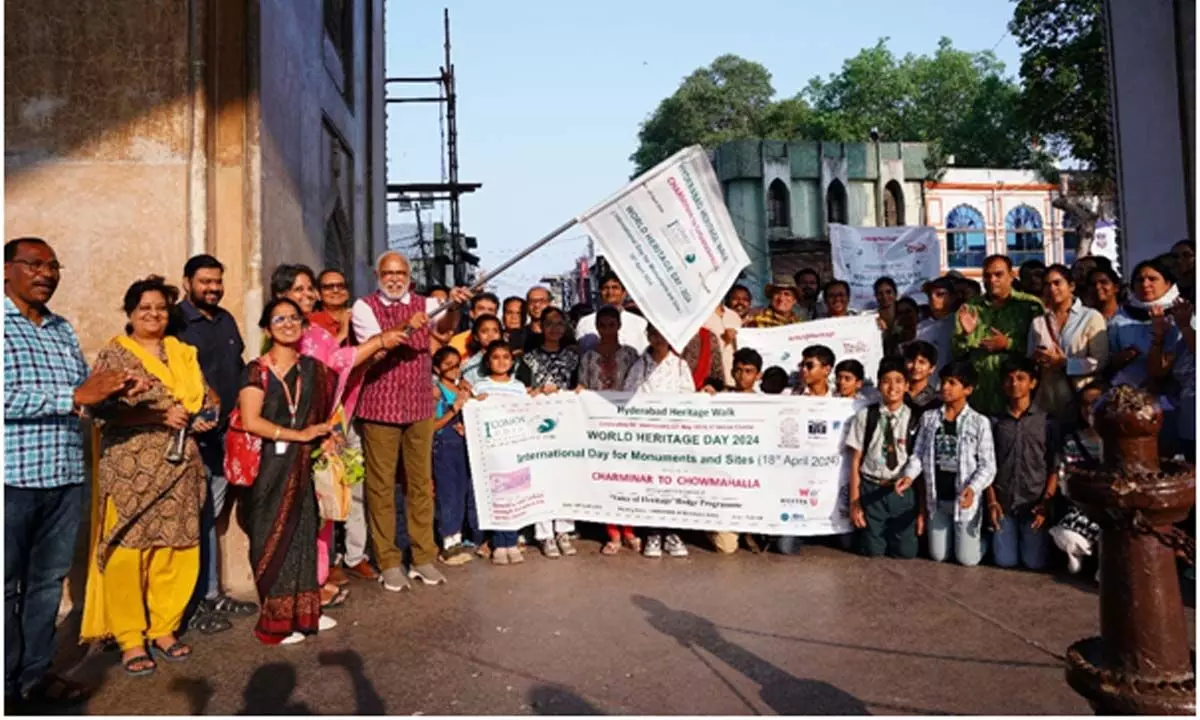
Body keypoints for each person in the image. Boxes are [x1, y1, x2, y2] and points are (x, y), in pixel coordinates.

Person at [5, 237, 141, 708]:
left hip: (63, 475)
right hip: (12, 479)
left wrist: (116, 389)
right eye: (34, 265)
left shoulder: (61, 329)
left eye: (53, 265)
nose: (46, 273)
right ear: (7, 270)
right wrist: (73, 397)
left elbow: (83, 389)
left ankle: (34, 676)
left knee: (45, 584)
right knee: (5, 586)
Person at [81, 275, 214, 675]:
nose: (153, 314)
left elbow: (205, 397)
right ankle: (130, 638)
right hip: (131, 467)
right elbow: (99, 410)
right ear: (130, 313)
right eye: (145, 309)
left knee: (177, 549)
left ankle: (164, 628)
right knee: (128, 553)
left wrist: (205, 415)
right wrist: (157, 416)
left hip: (179, 467)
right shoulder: (115, 355)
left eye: (160, 307)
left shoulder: (181, 352)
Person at [276, 264, 406, 597]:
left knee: (327, 504)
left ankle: (318, 580)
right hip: (293, 435)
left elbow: (341, 360)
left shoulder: (316, 335)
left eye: (309, 289)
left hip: (327, 429)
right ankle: (300, 586)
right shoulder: (282, 335)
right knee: (301, 509)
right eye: (298, 290)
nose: (306, 296)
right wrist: (378, 341)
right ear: (280, 298)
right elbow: (336, 362)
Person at [351, 252, 468, 593]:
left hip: (418, 406)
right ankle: (387, 559)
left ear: (409, 274)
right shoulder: (365, 307)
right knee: (381, 486)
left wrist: (455, 306)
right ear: (378, 274)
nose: (394, 278)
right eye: (388, 272)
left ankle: (422, 557)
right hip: (380, 407)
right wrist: (407, 326)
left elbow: (444, 333)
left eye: (400, 272)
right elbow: (379, 347)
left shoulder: (428, 302)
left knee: (420, 483)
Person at [236, 298, 339, 645]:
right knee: (272, 536)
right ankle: (276, 619)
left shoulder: (314, 369)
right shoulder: (256, 370)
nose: (288, 324)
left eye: (294, 318)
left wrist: (326, 437)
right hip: (269, 466)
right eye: (279, 318)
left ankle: (306, 613)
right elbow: (251, 421)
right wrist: (298, 435)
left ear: (304, 326)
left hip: (304, 464)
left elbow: (325, 416)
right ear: (267, 328)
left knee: (303, 534)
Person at [176, 254, 257, 635]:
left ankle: (210, 593)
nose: (212, 288)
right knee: (192, 518)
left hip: (225, 434)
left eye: (217, 281)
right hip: (191, 437)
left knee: (211, 516)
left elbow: (238, 367)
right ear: (187, 281)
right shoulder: (175, 321)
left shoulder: (224, 320)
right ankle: (190, 603)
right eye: (205, 281)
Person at [900, 361, 996, 567]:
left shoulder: (979, 422)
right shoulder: (929, 418)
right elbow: (918, 453)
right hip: (938, 499)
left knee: (967, 560)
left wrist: (973, 488)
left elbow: (988, 466)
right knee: (938, 555)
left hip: (964, 499)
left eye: (952, 383)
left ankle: (984, 541)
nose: (945, 387)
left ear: (968, 389)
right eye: (943, 382)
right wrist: (908, 476)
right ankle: (957, 540)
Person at [624, 324, 696, 558]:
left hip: (674, 436)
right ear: (648, 336)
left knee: (674, 484)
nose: (659, 339)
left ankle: (673, 532)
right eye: (654, 334)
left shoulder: (680, 366)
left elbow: (689, 398)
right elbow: (629, 396)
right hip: (648, 436)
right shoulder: (639, 366)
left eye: (663, 334)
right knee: (652, 485)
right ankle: (653, 533)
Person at [576, 306, 642, 555]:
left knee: (629, 477)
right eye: (602, 325)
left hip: (626, 423)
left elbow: (638, 385)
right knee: (606, 478)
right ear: (597, 327)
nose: (607, 329)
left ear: (619, 326)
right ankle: (612, 531)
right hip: (598, 425)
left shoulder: (630, 354)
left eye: (611, 324)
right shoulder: (588, 357)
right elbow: (582, 385)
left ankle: (630, 529)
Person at [516, 306, 581, 558]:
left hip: (567, 426)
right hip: (539, 429)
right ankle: (544, 533)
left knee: (565, 478)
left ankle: (564, 530)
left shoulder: (573, 358)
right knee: (542, 478)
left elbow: (578, 386)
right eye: (549, 324)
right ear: (540, 327)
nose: (554, 329)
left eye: (559, 324)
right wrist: (535, 393)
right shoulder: (528, 359)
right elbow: (521, 391)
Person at [986, 357, 1058, 571]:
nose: (1014, 384)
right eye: (1009, 379)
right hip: (1004, 502)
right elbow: (987, 464)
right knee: (1004, 561)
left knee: (1034, 563)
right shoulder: (995, 422)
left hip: (1034, 503)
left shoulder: (1046, 422)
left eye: (1021, 378)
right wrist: (991, 501)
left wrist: (1046, 503)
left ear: (1033, 383)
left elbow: (1055, 465)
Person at [847, 358, 920, 559]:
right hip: (871, 488)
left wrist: (921, 509)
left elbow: (920, 461)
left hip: (902, 491)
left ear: (907, 386)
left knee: (906, 553)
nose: (892, 387)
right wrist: (855, 502)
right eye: (886, 381)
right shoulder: (865, 415)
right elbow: (855, 460)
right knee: (872, 551)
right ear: (879, 385)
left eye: (898, 381)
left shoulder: (916, 418)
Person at [953, 255, 1044, 416]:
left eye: (998, 274)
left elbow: (1041, 349)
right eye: (987, 276)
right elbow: (956, 353)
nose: (992, 280)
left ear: (1011, 276)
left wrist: (1008, 344)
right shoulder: (970, 308)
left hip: (1016, 400)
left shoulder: (1030, 306)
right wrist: (966, 336)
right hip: (979, 397)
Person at [1028, 264, 1108, 423]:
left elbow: (1100, 362)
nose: (1052, 288)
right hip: (1048, 400)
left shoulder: (1091, 317)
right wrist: (1038, 359)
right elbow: (1030, 358)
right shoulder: (1038, 322)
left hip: (1081, 400)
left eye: (1057, 283)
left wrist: (1065, 363)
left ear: (1071, 286)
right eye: (1047, 285)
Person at [709, 348, 765, 556]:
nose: (743, 376)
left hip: (753, 479)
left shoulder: (768, 404)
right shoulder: (720, 398)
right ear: (732, 372)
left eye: (749, 371)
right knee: (726, 547)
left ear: (758, 375)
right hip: (724, 480)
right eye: (739, 370)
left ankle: (750, 530)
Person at [1048, 382, 1105, 575]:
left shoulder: (1118, 440)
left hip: (1112, 505)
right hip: (1082, 504)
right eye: (1085, 404)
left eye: (1096, 403)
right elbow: (1063, 473)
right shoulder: (1071, 440)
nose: (1089, 409)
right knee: (1068, 534)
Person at [430, 347, 480, 565]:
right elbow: (432, 425)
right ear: (437, 368)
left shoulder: (465, 388)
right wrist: (453, 409)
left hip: (464, 445)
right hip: (444, 446)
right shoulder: (436, 392)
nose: (453, 368)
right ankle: (449, 540)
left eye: (456, 363)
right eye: (447, 364)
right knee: (448, 492)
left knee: (465, 490)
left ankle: (465, 535)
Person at [575, 274, 649, 353]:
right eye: (605, 288)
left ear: (624, 293)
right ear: (600, 293)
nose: (610, 292)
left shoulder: (639, 323)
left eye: (615, 287)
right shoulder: (585, 323)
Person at [916, 277, 957, 373]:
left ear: (952, 297)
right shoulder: (920, 327)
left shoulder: (958, 324)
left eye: (940, 294)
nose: (933, 298)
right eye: (930, 295)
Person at [704, 300, 742, 388]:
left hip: (734, 382)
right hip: (711, 381)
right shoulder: (701, 316)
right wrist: (724, 340)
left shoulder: (734, 316)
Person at [309, 269, 353, 342]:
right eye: (328, 287)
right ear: (318, 294)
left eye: (340, 286)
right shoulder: (311, 322)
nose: (335, 290)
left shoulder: (357, 318)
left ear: (347, 293)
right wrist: (342, 333)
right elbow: (319, 353)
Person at [460, 314, 503, 386]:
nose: (490, 335)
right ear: (476, 336)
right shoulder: (470, 365)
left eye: (495, 331)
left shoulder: (511, 359)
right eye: (484, 331)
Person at [903, 341, 941, 415]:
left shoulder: (936, 401)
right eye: (911, 360)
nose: (915, 366)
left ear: (932, 368)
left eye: (922, 362)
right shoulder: (896, 393)